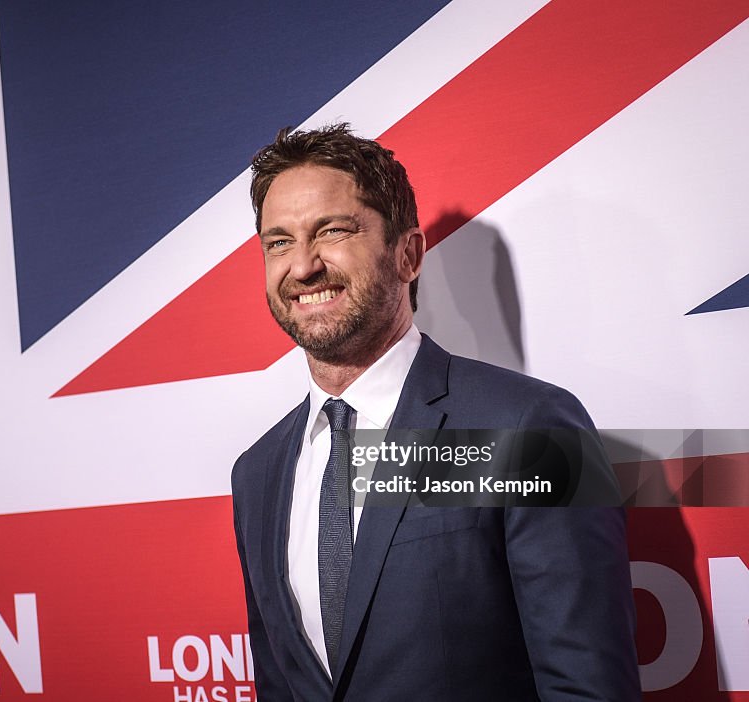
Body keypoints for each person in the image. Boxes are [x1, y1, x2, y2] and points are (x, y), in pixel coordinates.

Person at [230, 124, 640, 701]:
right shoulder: (257, 473)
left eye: (333, 231)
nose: (302, 266)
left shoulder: (526, 425)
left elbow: (587, 688)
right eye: (278, 242)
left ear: (408, 254)